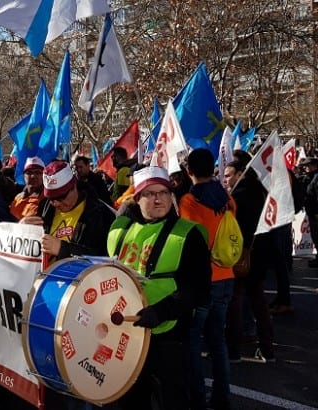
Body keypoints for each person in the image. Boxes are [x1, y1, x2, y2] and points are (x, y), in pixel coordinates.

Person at [107, 166, 211, 409]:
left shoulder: (189, 234)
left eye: (164, 192)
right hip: (127, 332)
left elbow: (199, 288)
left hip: (170, 334)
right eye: (150, 193)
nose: (158, 199)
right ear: (136, 198)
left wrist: (161, 311)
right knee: (130, 398)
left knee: (174, 398)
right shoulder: (119, 228)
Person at [179, 149, 236, 410]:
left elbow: (190, 239)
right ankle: (222, 398)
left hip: (202, 280)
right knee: (217, 340)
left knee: (192, 341)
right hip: (226, 274)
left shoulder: (190, 201)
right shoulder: (226, 197)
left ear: (189, 171)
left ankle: (198, 400)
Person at [223, 160, 276, 364]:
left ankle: (233, 350)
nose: (226, 180)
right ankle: (267, 349)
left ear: (240, 174)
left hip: (242, 255)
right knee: (259, 303)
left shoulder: (237, 197)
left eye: (228, 175)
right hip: (260, 255)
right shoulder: (263, 191)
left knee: (235, 303)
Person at [21, 160, 115, 262]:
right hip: (45, 276)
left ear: (74, 186)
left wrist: (63, 249)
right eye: (51, 198)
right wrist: (21, 232)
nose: (56, 203)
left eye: (61, 197)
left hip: (81, 277)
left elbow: (107, 259)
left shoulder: (101, 213)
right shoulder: (45, 207)